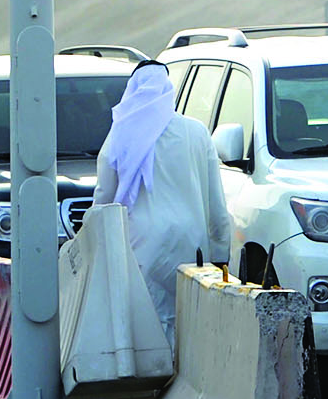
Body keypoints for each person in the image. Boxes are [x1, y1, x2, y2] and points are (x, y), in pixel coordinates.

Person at [91, 61, 228, 334]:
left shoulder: (121, 135)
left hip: (142, 246)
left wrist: (91, 243)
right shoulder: (197, 131)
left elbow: (104, 199)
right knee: (191, 327)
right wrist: (221, 255)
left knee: (153, 328)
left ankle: (161, 377)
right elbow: (216, 205)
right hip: (193, 246)